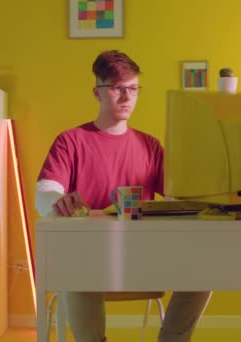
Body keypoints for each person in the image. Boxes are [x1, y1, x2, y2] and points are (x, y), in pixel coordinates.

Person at [35, 50, 211, 342]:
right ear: (98, 92)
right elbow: (46, 190)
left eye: (133, 89)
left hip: (144, 255)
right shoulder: (71, 141)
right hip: (90, 257)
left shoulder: (150, 146)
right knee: (76, 268)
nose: (126, 97)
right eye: (117, 88)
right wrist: (57, 200)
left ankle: (172, 339)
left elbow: (179, 196)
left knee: (205, 267)